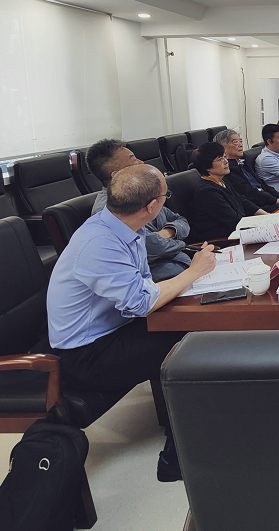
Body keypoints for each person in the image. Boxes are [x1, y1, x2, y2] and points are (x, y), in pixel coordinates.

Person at [46, 164, 216, 482]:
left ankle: (194, 431)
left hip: (115, 330)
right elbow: (141, 302)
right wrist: (194, 272)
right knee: (194, 350)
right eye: (165, 196)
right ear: (152, 206)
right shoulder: (99, 242)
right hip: (86, 356)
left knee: (196, 330)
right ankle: (176, 460)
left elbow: (143, 288)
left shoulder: (124, 228)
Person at [86, 139, 192, 281]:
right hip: (156, 280)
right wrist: (180, 244)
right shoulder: (109, 211)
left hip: (181, 266)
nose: (141, 162)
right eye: (133, 160)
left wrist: (168, 232)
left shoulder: (142, 193)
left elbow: (181, 221)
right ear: (117, 175)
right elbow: (154, 248)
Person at [189, 142, 270, 241]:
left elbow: (241, 200)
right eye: (220, 159)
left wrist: (267, 216)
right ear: (207, 167)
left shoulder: (222, 180)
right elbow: (233, 220)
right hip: (221, 239)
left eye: (224, 157)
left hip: (236, 229)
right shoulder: (206, 191)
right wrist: (263, 224)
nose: (226, 161)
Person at [214, 129, 279, 212]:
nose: (240, 145)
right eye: (235, 142)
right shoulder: (227, 170)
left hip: (267, 199)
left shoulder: (243, 162)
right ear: (222, 148)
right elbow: (247, 193)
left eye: (241, 141)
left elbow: (261, 183)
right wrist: (275, 200)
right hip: (256, 207)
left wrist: (278, 196)